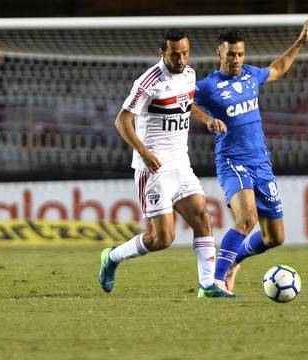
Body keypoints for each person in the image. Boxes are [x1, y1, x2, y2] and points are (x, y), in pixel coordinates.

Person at [98, 29, 233, 298]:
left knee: (203, 217)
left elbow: (186, 104)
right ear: (162, 53)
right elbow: (121, 121)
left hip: (181, 163)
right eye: (175, 54)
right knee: (163, 239)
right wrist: (144, 152)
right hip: (154, 168)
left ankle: (208, 286)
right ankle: (112, 257)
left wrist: (205, 119)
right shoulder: (148, 81)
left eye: (185, 53)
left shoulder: (189, 74)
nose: (181, 59)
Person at [194, 18, 308, 292]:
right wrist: (207, 120)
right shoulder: (208, 86)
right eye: (230, 54)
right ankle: (212, 282)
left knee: (275, 237)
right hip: (231, 161)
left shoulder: (251, 75)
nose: (236, 59)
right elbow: (186, 102)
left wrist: (299, 43)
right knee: (246, 219)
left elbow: (278, 68)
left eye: (240, 54)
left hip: (261, 163)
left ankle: (233, 260)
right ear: (219, 54)